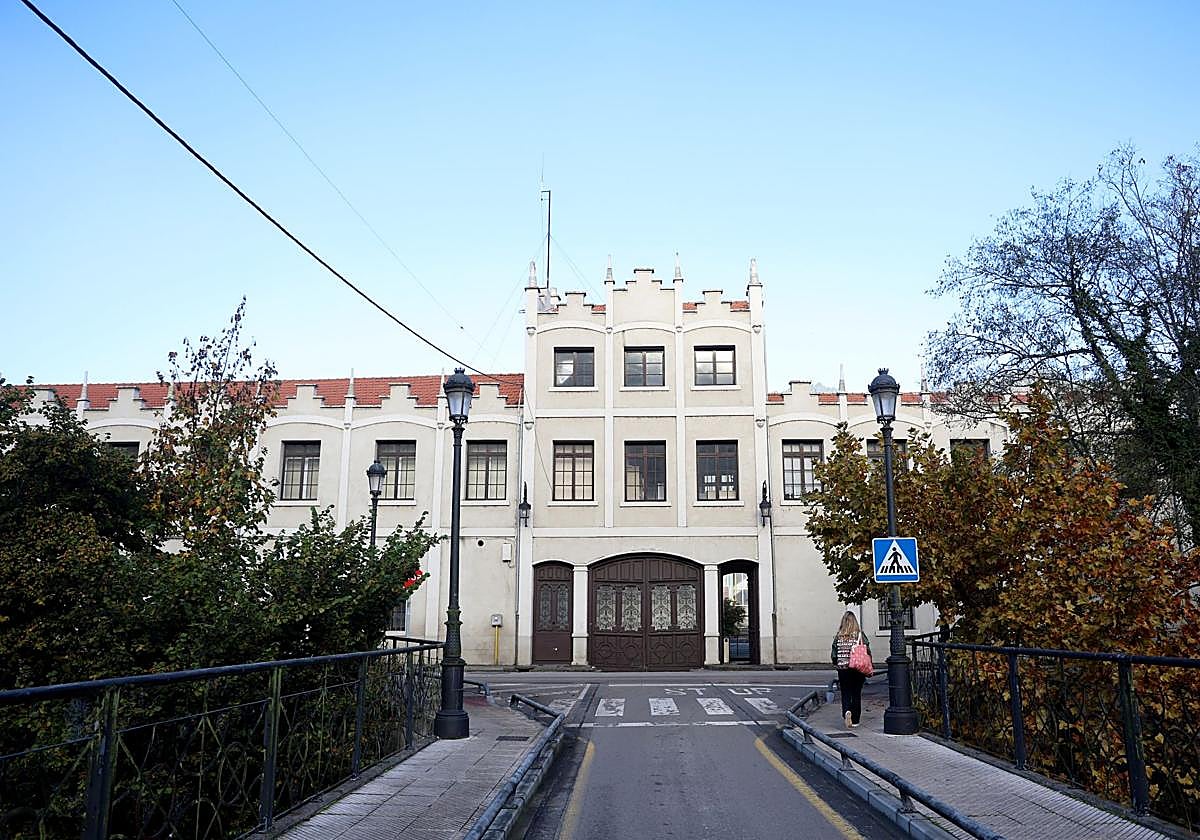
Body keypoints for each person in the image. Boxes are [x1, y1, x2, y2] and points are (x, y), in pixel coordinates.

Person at [831, 610, 871, 728]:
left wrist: (836, 663)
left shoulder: (839, 636)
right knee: (856, 693)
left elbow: (834, 654)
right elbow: (867, 649)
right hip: (858, 668)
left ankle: (846, 711)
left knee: (846, 692)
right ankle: (856, 719)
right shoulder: (860, 635)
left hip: (843, 669)